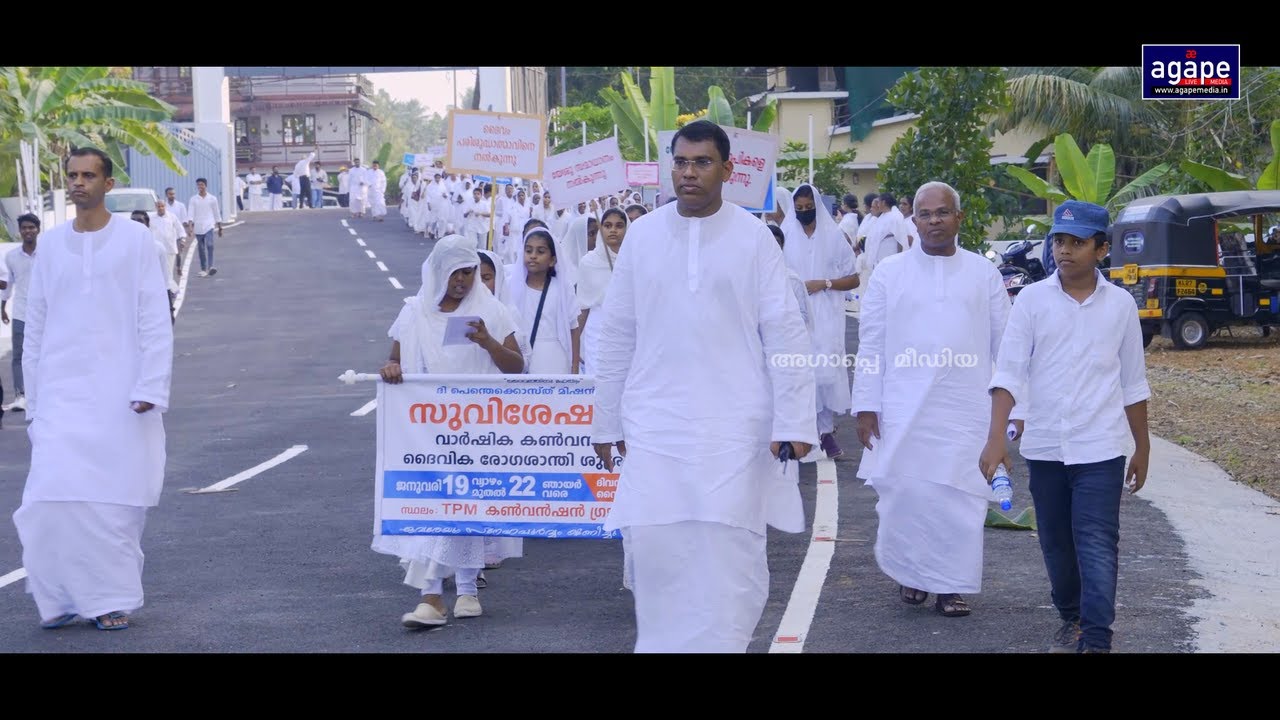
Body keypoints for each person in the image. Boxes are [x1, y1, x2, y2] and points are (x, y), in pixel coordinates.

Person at [590, 121, 817, 652]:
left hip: (734, 427)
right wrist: (606, 418)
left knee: (729, 554)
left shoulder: (754, 237)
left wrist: (794, 420)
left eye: (702, 163)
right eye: (681, 163)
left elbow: (784, 332)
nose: (689, 173)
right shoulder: (643, 236)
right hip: (656, 423)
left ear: (727, 169)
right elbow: (617, 332)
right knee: (657, 549)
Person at [981, 200, 1151, 654]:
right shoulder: (1032, 301)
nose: (1064, 250)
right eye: (1059, 240)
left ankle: (1096, 638)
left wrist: (1143, 448)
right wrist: (996, 439)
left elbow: (1133, 383)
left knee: (1096, 541)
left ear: (1101, 248)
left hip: (1101, 449)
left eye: (1077, 243)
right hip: (1046, 447)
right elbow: (1009, 373)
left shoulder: (1120, 307)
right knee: (1057, 545)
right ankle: (1072, 617)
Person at [14, 147, 173, 632]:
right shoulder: (53, 245)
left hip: (120, 394)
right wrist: (34, 400)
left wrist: (150, 383)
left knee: (111, 503)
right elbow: (36, 324)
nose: (79, 182)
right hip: (60, 396)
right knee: (47, 499)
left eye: (89, 175)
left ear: (108, 184)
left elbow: (153, 315)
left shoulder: (134, 240)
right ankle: (59, 596)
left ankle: (109, 598)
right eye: (73, 176)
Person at [851, 181, 1010, 619]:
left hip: (965, 407)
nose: (934, 221)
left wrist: (1012, 416)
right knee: (908, 494)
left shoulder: (984, 273)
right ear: (913, 220)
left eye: (943, 213)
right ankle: (914, 574)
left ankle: (951, 586)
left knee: (960, 498)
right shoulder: (889, 273)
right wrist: (867, 405)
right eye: (925, 214)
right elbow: (872, 342)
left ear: (959, 218)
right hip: (902, 406)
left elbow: (1006, 349)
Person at [376, 235, 525, 627]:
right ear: (440, 272)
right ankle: (443, 594)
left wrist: (488, 342)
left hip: (476, 427)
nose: (462, 281)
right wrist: (392, 371)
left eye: (469, 272)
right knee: (438, 504)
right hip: (427, 429)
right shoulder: (414, 312)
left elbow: (517, 367)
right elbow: (395, 361)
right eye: (456, 273)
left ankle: (454, 591)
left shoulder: (491, 310)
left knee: (465, 501)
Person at [780, 183, 858, 459]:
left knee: (824, 377)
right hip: (793, 316)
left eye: (808, 207)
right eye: (799, 208)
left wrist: (824, 283)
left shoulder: (834, 236)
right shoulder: (786, 235)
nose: (804, 212)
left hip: (826, 316)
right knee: (798, 374)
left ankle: (825, 433)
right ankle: (800, 433)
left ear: (817, 206)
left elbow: (854, 277)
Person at [507, 228, 580, 375]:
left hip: (554, 357)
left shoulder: (562, 288)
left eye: (540, 252)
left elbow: (574, 328)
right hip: (520, 355)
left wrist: (575, 366)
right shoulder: (511, 286)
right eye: (528, 251)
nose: (533, 256)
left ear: (552, 260)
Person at [576, 207, 628, 375]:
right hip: (598, 331)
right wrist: (575, 348)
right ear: (602, 229)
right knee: (599, 381)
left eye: (619, 225)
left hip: (628, 329)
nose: (613, 230)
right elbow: (583, 308)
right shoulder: (588, 262)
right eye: (607, 225)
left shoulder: (635, 259)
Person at [2, 213, 40, 416]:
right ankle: (21, 395)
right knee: (18, 356)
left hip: (44, 314)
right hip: (20, 313)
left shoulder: (47, 254)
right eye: (24, 228)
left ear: (38, 229)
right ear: (20, 231)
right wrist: (3, 307)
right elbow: (8, 285)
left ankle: (41, 393)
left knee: (43, 355)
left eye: (31, 227)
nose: (28, 231)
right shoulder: (11, 257)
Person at [188, 178, 223, 277]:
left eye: (202, 185)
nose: (200, 187)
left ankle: (211, 266)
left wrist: (220, 227)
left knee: (210, 245)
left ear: (206, 186)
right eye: (198, 185)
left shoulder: (212, 198)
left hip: (209, 225)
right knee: (201, 248)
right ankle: (203, 269)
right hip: (198, 226)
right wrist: (190, 226)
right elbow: (190, 213)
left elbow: (216, 213)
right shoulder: (193, 199)